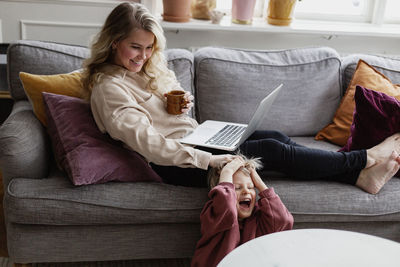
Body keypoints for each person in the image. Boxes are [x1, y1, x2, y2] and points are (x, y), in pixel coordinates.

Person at [82, 2, 400, 194]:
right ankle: (364, 159)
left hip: (194, 139)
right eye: (135, 47)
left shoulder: (143, 70)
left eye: (149, 47)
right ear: (113, 42)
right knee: (271, 150)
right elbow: (149, 145)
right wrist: (210, 160)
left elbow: (163, 116)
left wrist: (176, 105)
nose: (144, 56)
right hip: (174, 163)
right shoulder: (110, 89)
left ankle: (359, 177)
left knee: (274, 136)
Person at [191, 155, 294, 267]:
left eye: (250, 187)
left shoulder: (260, 216)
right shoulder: (215, 214)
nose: (246, 191)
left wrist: (259, 183)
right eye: (237, 188)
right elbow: (227, 207)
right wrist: (227, 172)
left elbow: (284, 221)